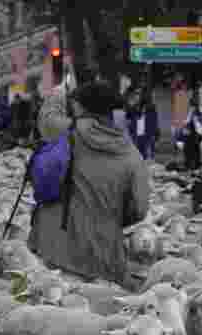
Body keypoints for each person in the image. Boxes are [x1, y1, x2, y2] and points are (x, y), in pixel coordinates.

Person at [28, 79, 150, 285]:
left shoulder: (67, 132)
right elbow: (138, 209)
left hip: (55, 250)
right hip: (104, 256)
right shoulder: (132, 153)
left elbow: (46, 118)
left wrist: (58, 94)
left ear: (78, 106)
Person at [129, 90, 159, 161]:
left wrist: (154, 134)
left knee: (147, 154)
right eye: (136, 94)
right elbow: (131, 120)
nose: (136, 97)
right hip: (138, 134)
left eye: (138, 95)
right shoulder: (134, 107)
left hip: (147, 134)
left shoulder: (150, 108)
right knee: (140, 154)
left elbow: (154, 122)